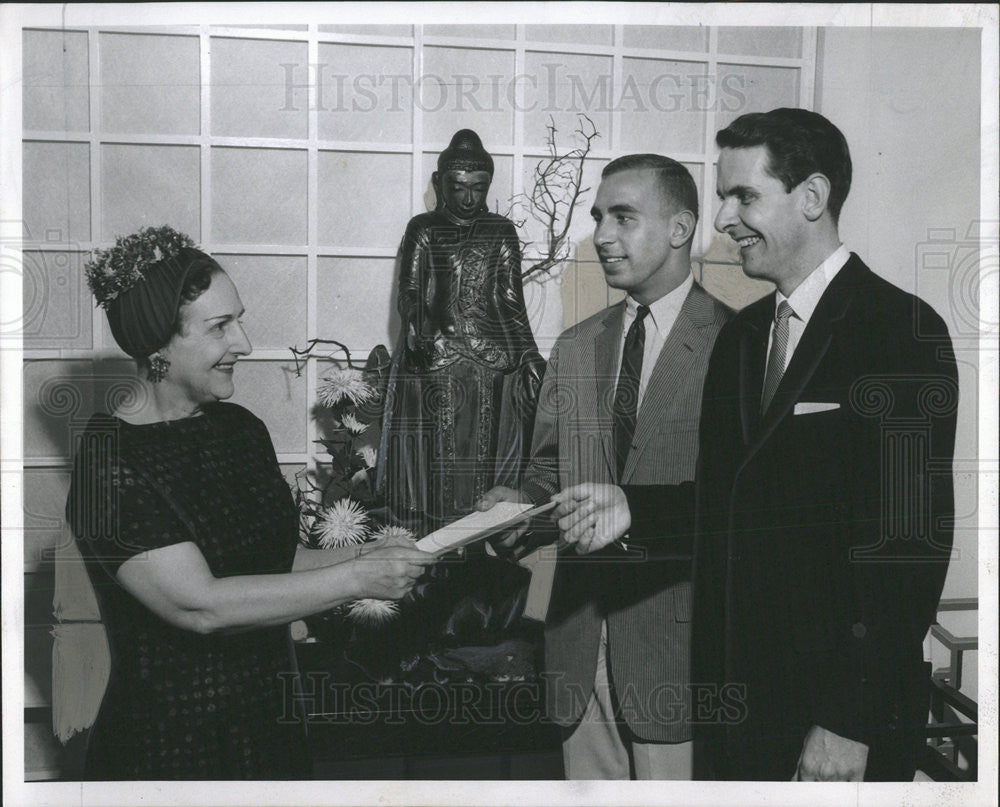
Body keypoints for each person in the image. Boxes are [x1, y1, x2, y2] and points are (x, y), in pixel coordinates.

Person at [555, 109, 958, 781]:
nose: (722, 220)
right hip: (736, 715)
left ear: (812, 197)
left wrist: (846, 720)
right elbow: (727, 502)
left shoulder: (901, 331)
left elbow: (908, 546)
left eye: (744, 196)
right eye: (723, 198)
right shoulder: (742, 339)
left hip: (836, 725)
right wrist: (633, 507)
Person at [67, 226, 435, 780]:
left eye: (237, 320)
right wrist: (360, 580)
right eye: (220, 327)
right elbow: (200, 606)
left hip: (270, 733)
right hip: (166, 750)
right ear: (158, 345)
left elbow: (276, 563)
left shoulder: (239, 430)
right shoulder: (107, 461)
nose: (242, 342)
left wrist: (371, 555)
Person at [480, 155, 732, 779]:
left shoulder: (736, 344)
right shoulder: (574, 346)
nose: (602, 235)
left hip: (678, 653)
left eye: (624, 216)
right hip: (576, 642)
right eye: (598, 218)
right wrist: (518, 507)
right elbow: (551, 473)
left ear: (680, 229)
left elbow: (739, 503)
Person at [377, 129, 544, 532]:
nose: (469, 198)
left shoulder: (500, 231)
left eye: (478, 188)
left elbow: (510, 300)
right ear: (440, 184)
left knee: (490, 444)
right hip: (439, 350)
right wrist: (417, 324)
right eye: (459, 187)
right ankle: (434, 527)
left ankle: (481, 529)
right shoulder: (425, 228)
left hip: (490, 353)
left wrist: (528, 354)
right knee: (435, 451)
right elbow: (411, 289)